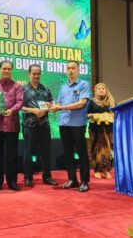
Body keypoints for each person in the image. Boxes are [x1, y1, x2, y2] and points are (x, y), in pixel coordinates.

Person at [50, 61, 90, 192]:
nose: (70, 70)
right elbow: (59, 103)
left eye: (73, 68)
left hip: (78, 124)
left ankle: (84, 181)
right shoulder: (63, 87)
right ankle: (72, 179)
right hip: (64, 124)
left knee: (82, 153)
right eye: (68, 68)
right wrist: (51, 106)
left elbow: (81, 104)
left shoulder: (84, 84)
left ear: (78, 70)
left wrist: (60, 107)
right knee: (68, 153)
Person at [0, 61, 23, 191]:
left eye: (9, 69)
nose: (6, 71)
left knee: (11, 156)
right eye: (4, 69)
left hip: (11, 125)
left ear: (11, 71)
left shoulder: (17, 86)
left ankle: (12, 181)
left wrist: (12, 110)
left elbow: (20, 101)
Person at [21, 64, 58, 187]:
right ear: (29, 74)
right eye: (34, 73)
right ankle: (28, 178)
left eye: (38, 73)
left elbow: (52, 105)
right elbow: (19, 106)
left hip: (44, 125)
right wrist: (33, 110)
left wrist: (48, 108)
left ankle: (47, 177)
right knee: (28, 152)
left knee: (45, 152)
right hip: (29, 125)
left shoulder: (46, 89)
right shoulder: (22, 89)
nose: (36, 76)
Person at [87, 83, 115, 180]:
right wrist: (91, 116)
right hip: (95, 129)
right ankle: (97, 169)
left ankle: (106, 170)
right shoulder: (91, 102)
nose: (101, 90)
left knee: (108, 149)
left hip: (108, 130)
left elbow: (116, 113)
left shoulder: (111, 102)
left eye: (103, 88)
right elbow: (86, 114)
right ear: (95, 90)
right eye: (99, 88)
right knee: (97, 148)